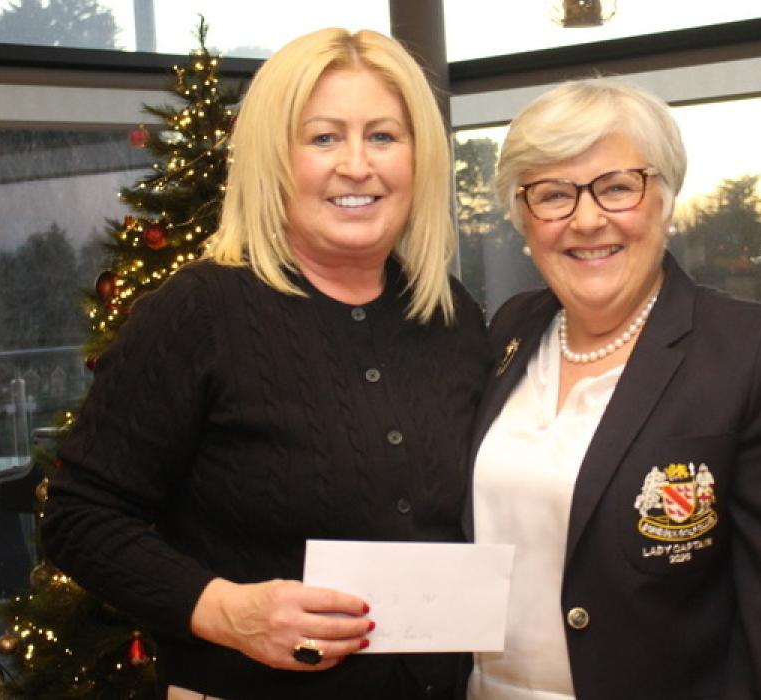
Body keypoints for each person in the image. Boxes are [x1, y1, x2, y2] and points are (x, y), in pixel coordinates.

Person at [41, 28, 492, 699]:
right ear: (273, 159)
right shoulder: (198, 312)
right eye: (323, 138)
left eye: (383, 136)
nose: (357, 165)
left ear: (419, 156)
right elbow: (78, 517)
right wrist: (227, 611)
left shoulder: (450, 314)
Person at [465, 80, 761, 699]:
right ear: (523, 219)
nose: (587, 219)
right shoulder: (510, 330)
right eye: (554, 195)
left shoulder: (757, 351)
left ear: (666, 201)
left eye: (618, 187)